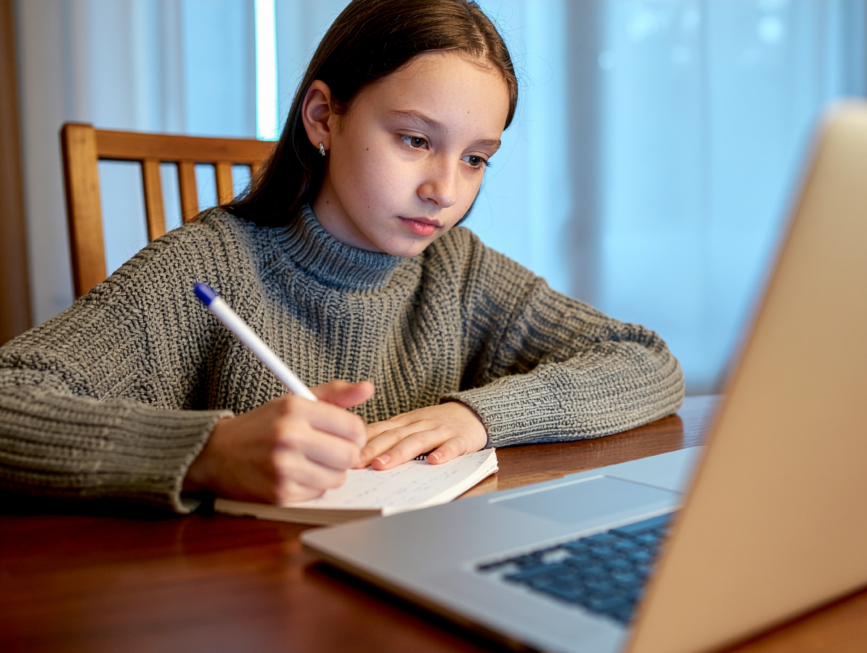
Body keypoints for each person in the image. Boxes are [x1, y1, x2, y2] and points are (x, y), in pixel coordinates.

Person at [0, 0, 684, 514]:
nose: (445, 190)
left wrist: (477, 416)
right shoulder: (208, 269)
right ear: (324, 117)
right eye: (415, 140)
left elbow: (644, 360)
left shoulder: (458, 268)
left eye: (476, 158)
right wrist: (207, 453)